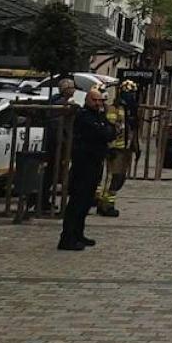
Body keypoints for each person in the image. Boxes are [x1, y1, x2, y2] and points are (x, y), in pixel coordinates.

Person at [58, 85, 115, 251]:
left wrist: (106, 128)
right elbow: (103, 133)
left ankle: (78, 234)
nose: (98, 103)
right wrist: (105, 129)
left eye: (100, 101)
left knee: (86, 203)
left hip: (95, 163)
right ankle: (67, 238)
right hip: (83, 165)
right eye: (94, 100)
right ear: (87, 100)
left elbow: (111, 132)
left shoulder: (99, 115)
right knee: (77, 202)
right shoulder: (84, 116)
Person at [95, 80, 139, 217]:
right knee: (113, 177)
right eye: (129, 93)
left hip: (124, 149)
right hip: (115, 149)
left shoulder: (129, 111)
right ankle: (105, 204)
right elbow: (110, 129)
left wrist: (136, 147)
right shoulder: (114, 109)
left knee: (119, 178)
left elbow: (131, 130)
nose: (131, 97)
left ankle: (106, 201)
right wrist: (110, 147)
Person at [36, 77, 76, 212]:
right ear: (65, 90)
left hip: (56, 143)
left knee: (52, 173)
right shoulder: (61, 103)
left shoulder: (57, 101)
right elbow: (59, 124)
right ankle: (42, 201)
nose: (74, 90)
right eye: (72, 88)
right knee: (51, 173)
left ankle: (42, 200)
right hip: (55, 144)